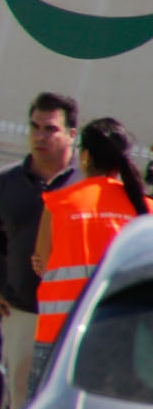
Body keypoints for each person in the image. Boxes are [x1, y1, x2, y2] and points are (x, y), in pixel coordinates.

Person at [0, 93, 79, 409]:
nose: (40, 136)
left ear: (72, 134)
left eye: (50, 129)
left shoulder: (85, 183)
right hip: (23, 314)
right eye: (34, 127)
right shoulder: (7, 182)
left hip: (72, 316)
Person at [32, 117, 149, 394]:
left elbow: (42, 263)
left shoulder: (58, 203)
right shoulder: (145, 210)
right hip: (122, 341)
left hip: (57, 336)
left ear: (84, 157)